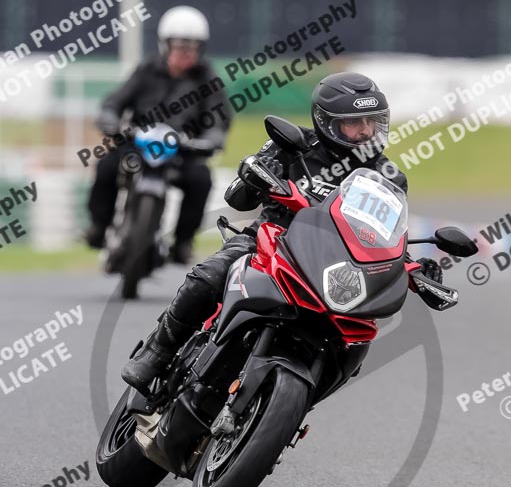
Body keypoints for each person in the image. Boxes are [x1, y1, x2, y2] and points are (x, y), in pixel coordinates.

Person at [122, 71, 443, 395]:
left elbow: (386, 236)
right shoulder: (292, 145)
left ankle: (295, 398)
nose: (364, 131)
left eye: (371, 122)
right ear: (327, 122)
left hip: (334, 265)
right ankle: (157, 351)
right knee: (209, 275)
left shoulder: (387, 177)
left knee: (356, 336)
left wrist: (413, 265)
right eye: (354, 123)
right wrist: (256, 177)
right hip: (269, 241)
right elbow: (237, 197)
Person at [85, 5, 231, 264]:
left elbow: (218, 120)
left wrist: (211, 139)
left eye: (191, 48)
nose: (184, 53)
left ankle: (183, 241)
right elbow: (114, 103)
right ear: (165, 46)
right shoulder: (147, 70)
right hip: (138, 145)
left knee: (201, 179)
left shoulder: (208, 80)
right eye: (178, 47)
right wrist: (110, 120)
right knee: (106, 166)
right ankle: (98, 227)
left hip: (183, 150)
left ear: (201, 49)